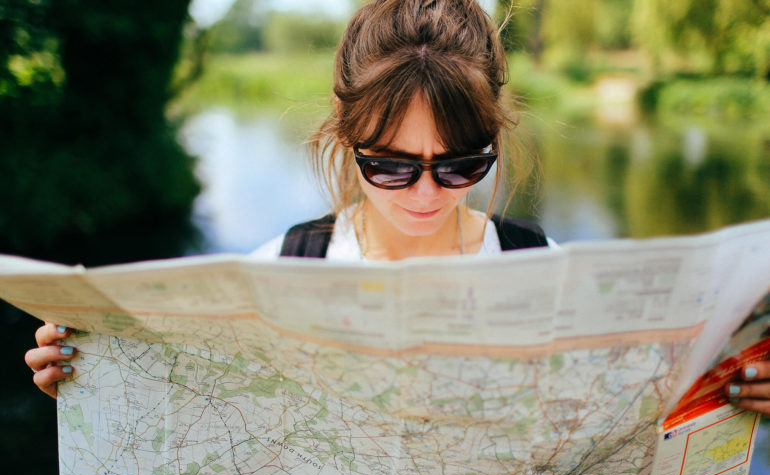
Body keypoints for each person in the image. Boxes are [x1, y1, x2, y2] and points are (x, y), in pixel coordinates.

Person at [24, 0, 770, 417]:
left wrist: (737, 391)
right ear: (348, 143)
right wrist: (90, 372)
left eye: (459, 164)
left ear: (495, 139)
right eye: (389, 165)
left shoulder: (538, 266)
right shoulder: (282, 269)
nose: (425, 195)